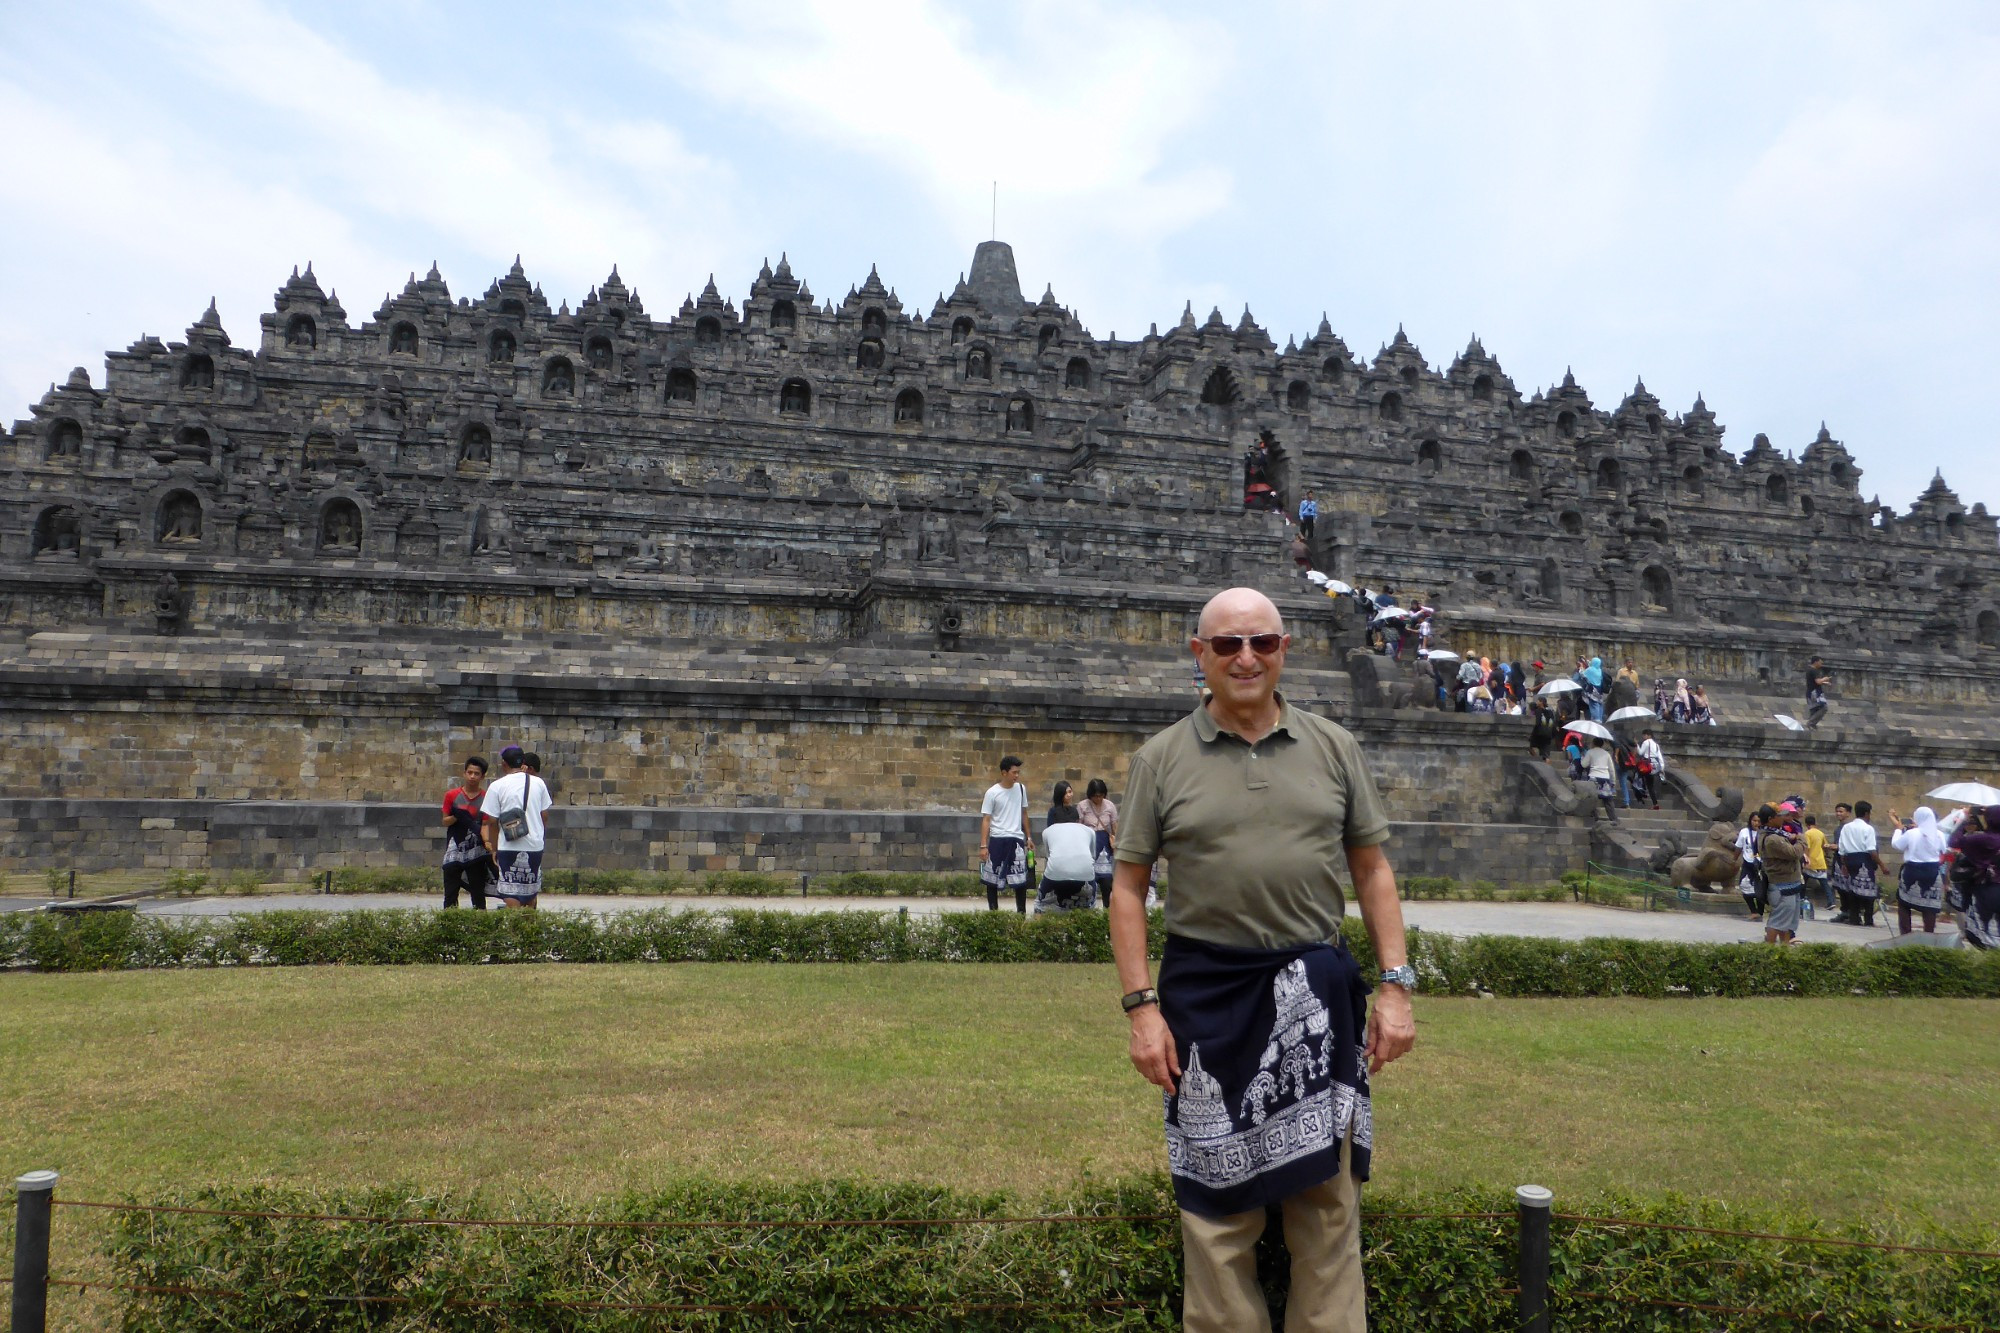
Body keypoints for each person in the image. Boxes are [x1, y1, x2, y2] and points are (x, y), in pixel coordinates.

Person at [1108, 586, 1413, 1333]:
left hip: (1314, 977)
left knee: (1327, 1200)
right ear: (1199, 657)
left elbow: (1372, 870)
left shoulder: (1333, 745)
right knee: (1216, 1209)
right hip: (1204, 989)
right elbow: (1128, 887)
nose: (1246, 657)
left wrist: (1397, 985)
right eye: (1227, 644)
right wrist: (1142, 1008)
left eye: (1263, 642)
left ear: (1285, 650)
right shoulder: (1162, 758)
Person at [479, 745, 553, 909]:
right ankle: (529, 930)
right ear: (523, 763)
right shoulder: (539, 783)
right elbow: (545, 815)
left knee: (510, 890)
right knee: (530, 890)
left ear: (504, 763)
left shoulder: (497, 786)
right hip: (534, 846)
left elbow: (491, 821)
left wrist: (494, 849)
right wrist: (539, 835)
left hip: (509, 845)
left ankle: (515, 929)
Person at [978, 756, 1033, 914]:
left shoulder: (1021, 789)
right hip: (998, 838)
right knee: (992, 879)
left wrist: (1028, 837)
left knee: (1020, 880)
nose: (1016, 776)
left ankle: (1021, 914)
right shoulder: (992, 793)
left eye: (1018, 772)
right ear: (1004, 773)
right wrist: (983, 845)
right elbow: (986, 819)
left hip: (1016, 838)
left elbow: (1024, 814)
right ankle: (993, 913)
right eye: (1014, 772)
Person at [440, 755, 492, 910]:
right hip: (454, 848)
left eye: (476, 774)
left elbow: (486, 823)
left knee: (477, 893)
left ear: (482, 776)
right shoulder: (452, 795)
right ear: (464, 773)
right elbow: (445, 821)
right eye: (469, 772)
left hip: (477, 850)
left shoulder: (486, 797)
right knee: (450, 893)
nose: (472, 776)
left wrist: (489, 845)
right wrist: (459, 815)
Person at [1037, 785, 1098, 913]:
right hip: (1086, 875)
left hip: (1055, 873)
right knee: (1090, 905)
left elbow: (1049, 855)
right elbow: (1092, 856)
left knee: (1040, 904)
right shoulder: (1089, 831)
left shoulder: (1048, 831)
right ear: (1077, 820)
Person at [1888, 805, 1948, 934]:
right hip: (1932, 871)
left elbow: (1897, 845)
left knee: (1904, 903)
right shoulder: (1939, 834)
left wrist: (1898, 830)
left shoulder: (1912, 833)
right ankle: (1929, 934)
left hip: (1912, 871)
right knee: (1930, 906)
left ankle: (1905, 933)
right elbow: (1943, 849)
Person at [1947, 806, 2000, 949]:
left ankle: (1990, 961)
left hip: (1986, 889)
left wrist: (1964, 820)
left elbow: (1954, 841)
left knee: (1979, 930)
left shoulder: (1982, 839)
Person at [1832, 800, 1882, 927]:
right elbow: (1872, 850)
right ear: (1866, 814)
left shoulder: (1846, 828)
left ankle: (1854, 917)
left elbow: (1842, 849)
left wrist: (1844, 865)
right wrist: (1882, 865)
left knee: (1852, 890)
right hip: (1864, 859)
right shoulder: (1868, 828)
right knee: (1868, 890)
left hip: (1849, 859)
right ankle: (1868, 919)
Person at [1760, 807, 1806, 943]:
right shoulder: (1772, 839)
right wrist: (1801, 839)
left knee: (1786, 924)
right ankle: (1769, 951)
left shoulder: (1777, 834)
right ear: (1770, 819)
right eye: (1780, 816)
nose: (1783, 818)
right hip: (1782, 885)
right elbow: (1794, 853)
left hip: (1790, 883)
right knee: (1778, 921)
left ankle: (1784, 951)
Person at [1077, 778, 1119, 908]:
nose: (1098, 799)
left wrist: (1116, 843)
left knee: (1107, 880)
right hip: (1089, 843)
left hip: (1105, 844)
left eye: (1101, 796)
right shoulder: (1082, 806)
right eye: (1095, 796)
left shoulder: (1109, 806)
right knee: (1089, 880)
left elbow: (1114, 827)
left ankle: (1108, 908)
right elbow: (1078, 827)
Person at [1735, 809, 1767, 918]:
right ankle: (1753, 911)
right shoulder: (1744, 832)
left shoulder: (1764, 833)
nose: (1756, 823)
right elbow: (1738, 847)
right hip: (1748, 862)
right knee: (1744, 885)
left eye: (1758, 821)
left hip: (1761, 864)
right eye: (1754, 820)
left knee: (1761, 888)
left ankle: (1760, 912)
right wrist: (1734, 859)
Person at [1802, 813, 1833, 915]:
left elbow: (1807, 847)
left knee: (1803, 882)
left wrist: (1806, 860)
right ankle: (1831, 901)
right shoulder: (1820, 833)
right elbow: (1825, 845)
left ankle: (1801, 899)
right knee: (1824, 883)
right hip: (1821, 862)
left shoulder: (1808, 834)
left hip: (1811, 862)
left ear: (1807, 824)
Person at [1583, 738, 1618, 821]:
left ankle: (1594, 816)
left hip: (1594, 777)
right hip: (1605, 777)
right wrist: (1613, 781)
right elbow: (1611, 769)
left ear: (1593, 744)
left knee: (1591, 798)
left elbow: (1584, 765)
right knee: (1608, 800)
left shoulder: (1590, 752)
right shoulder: (1606, 754)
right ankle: (1613, 819)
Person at [1635, 730, 1665, 809]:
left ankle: (1642, 793)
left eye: (1644, 735)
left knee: (1637, 777)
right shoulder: (1656, 745)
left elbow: (1641, 753)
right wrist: (1662, 767)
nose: (1643, 737)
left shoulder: (1646, 742)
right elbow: (1660, 757)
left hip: (1647, 765)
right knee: (1650, 785)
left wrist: (1637, 745)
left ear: (1648, 735)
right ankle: (1655, 804)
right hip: (1655, 766)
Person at [1576, 656, 1607, 722]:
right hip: (1599, 690)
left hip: (1592, 690)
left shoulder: (1590, 670)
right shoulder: (1599, 670)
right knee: (1599, 704)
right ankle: (1600, 718)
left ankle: (1596, 719)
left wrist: (1581, 668)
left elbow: (1582, 674)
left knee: (1594, 704)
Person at [1805, 656, 1831, 729]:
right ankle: (1811, 723)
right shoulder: (1814, 670)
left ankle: (1812, 725)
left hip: (1810, 693)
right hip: (1814, 694)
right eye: (1820, 662)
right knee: (1824, 707)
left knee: (1814, 709)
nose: (1821, 664)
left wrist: (1825, 682)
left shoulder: (1809, 670)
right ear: (1816, 662)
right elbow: (1818, 681)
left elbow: (1814, 682)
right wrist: (1825, 679)